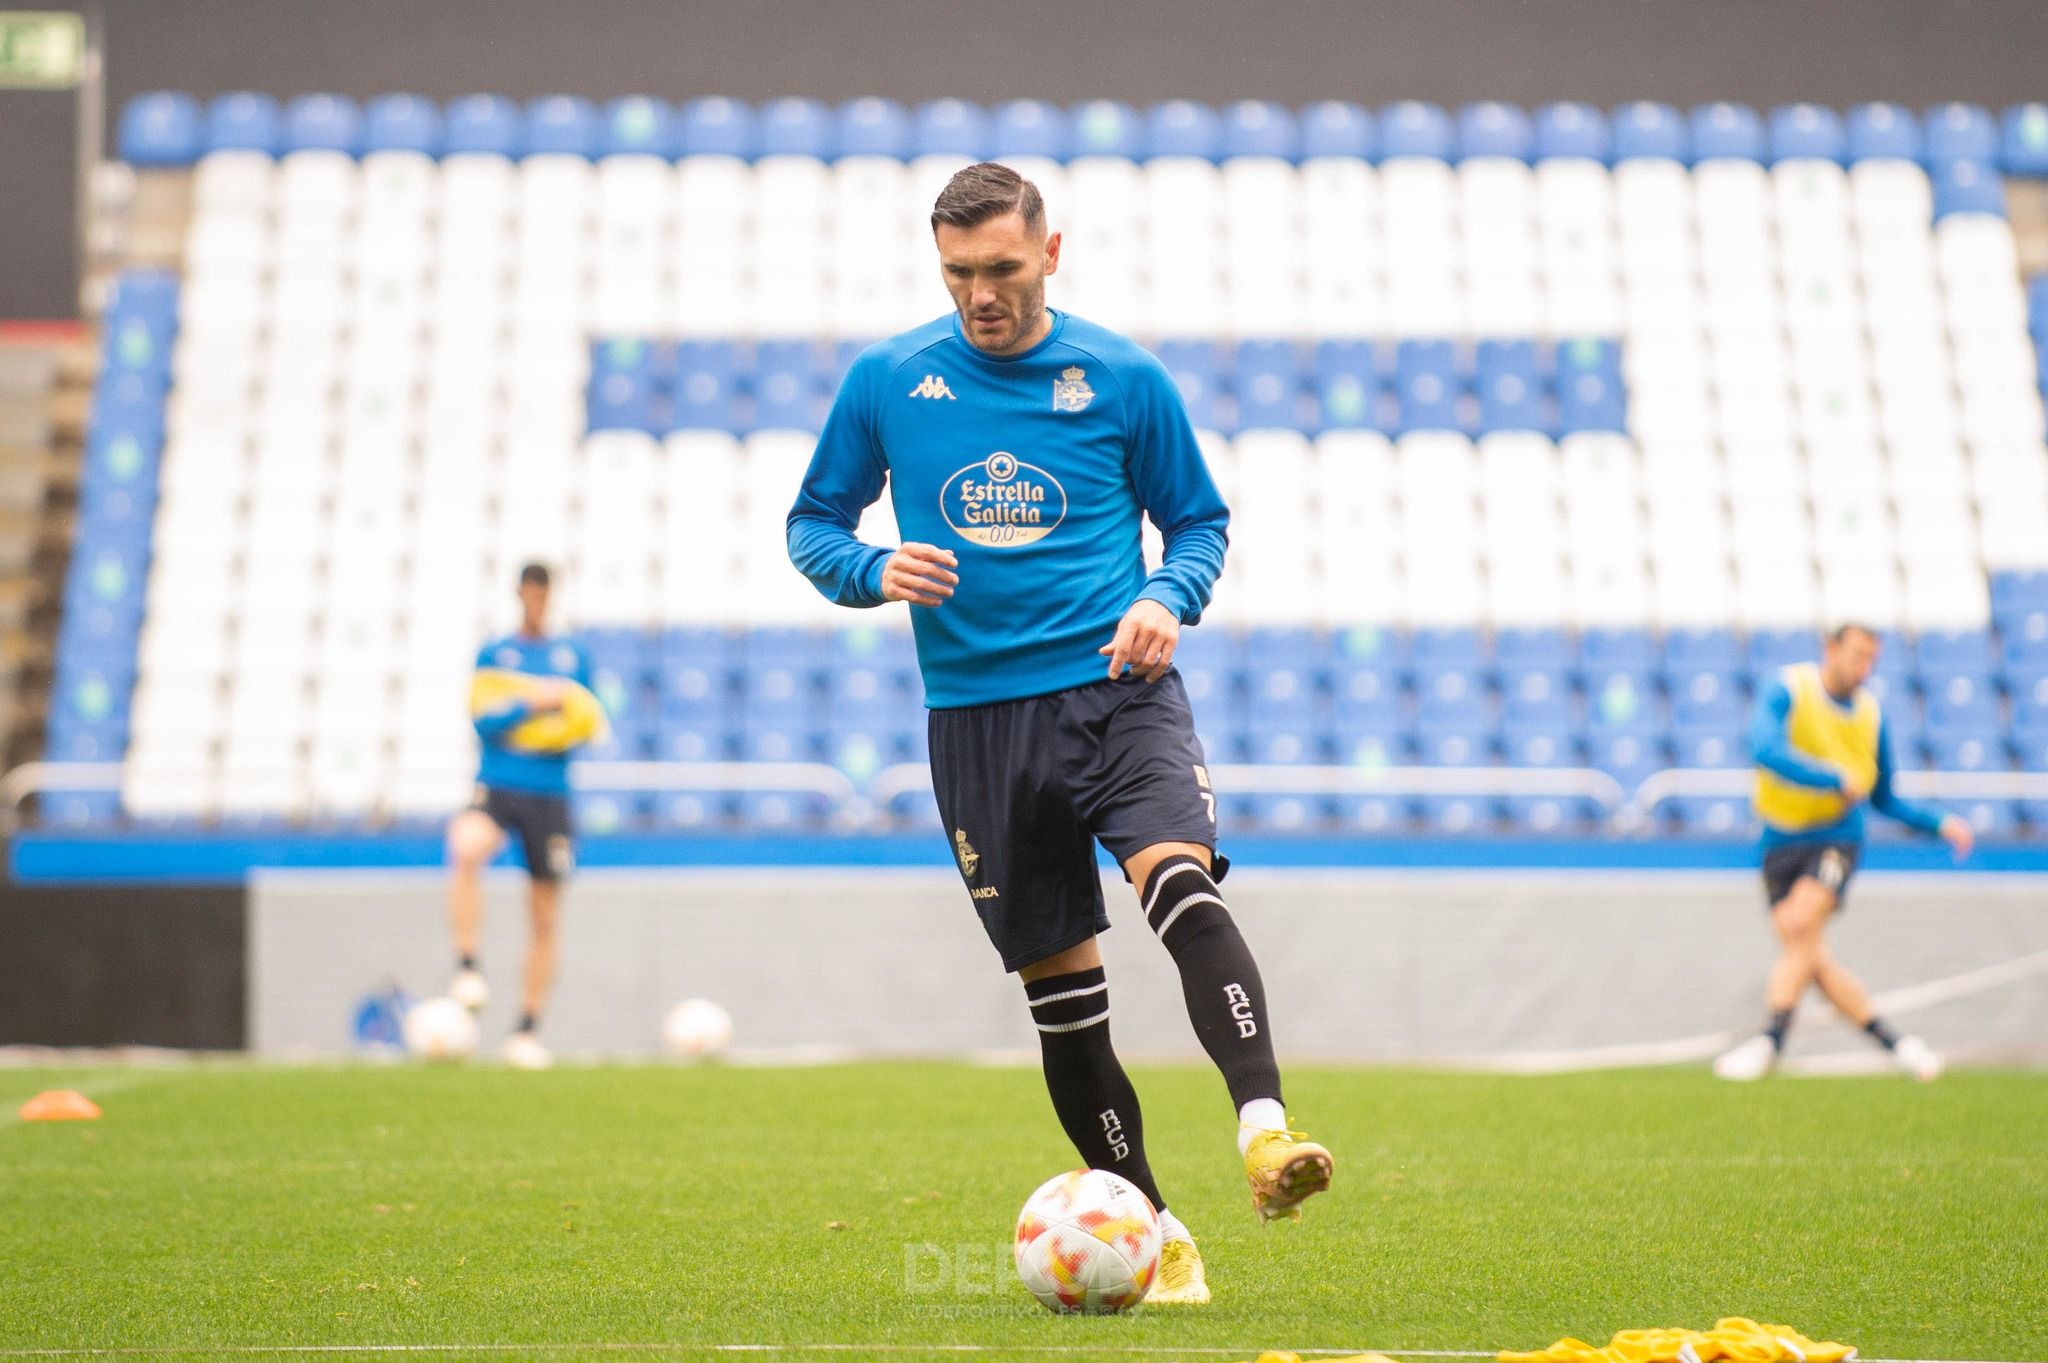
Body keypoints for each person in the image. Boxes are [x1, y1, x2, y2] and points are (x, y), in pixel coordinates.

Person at [787, 162, 1332, 1306]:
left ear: (1049, 251)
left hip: (1114, 688)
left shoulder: (1121, 377)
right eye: (956, 273)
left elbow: (1196, 522)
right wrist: (871, 568)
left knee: (1179, 887)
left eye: (998, 267)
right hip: (978, 726)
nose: (979, 293)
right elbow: (813, 524)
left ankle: (1266, 1132)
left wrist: (1162, 600)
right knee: (1064, 1003)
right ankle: (1159, 1229)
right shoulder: (888, 379)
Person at [1714, 622, 1974, 1082]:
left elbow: (1885, 797)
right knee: (1810, 957)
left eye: (1871, 659)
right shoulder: (1789, 688)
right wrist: (1832, 778)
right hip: (1779, 840)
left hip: (1837, 838)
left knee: (1800, 922)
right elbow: (1764, 748)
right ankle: (1898, 1044)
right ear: (1829, 650)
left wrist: (1939, 822)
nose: (1863, 667)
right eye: (1856, 654)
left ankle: (1770, 1040)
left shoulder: (1871, 714)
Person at [445, 562, 597, 1071]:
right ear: (519, 594)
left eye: (543, 593)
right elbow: (485, 723)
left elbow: (585, 722)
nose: (536, 600)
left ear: (550, 596)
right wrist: (533, 703)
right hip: (499, 784)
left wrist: (548, 719)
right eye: (529, 592)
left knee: (546, 913)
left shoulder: (572, 655)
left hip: (550, 793)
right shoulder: (496, 653)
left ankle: (526, 1030)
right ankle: (467, 966)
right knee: (466, 845)